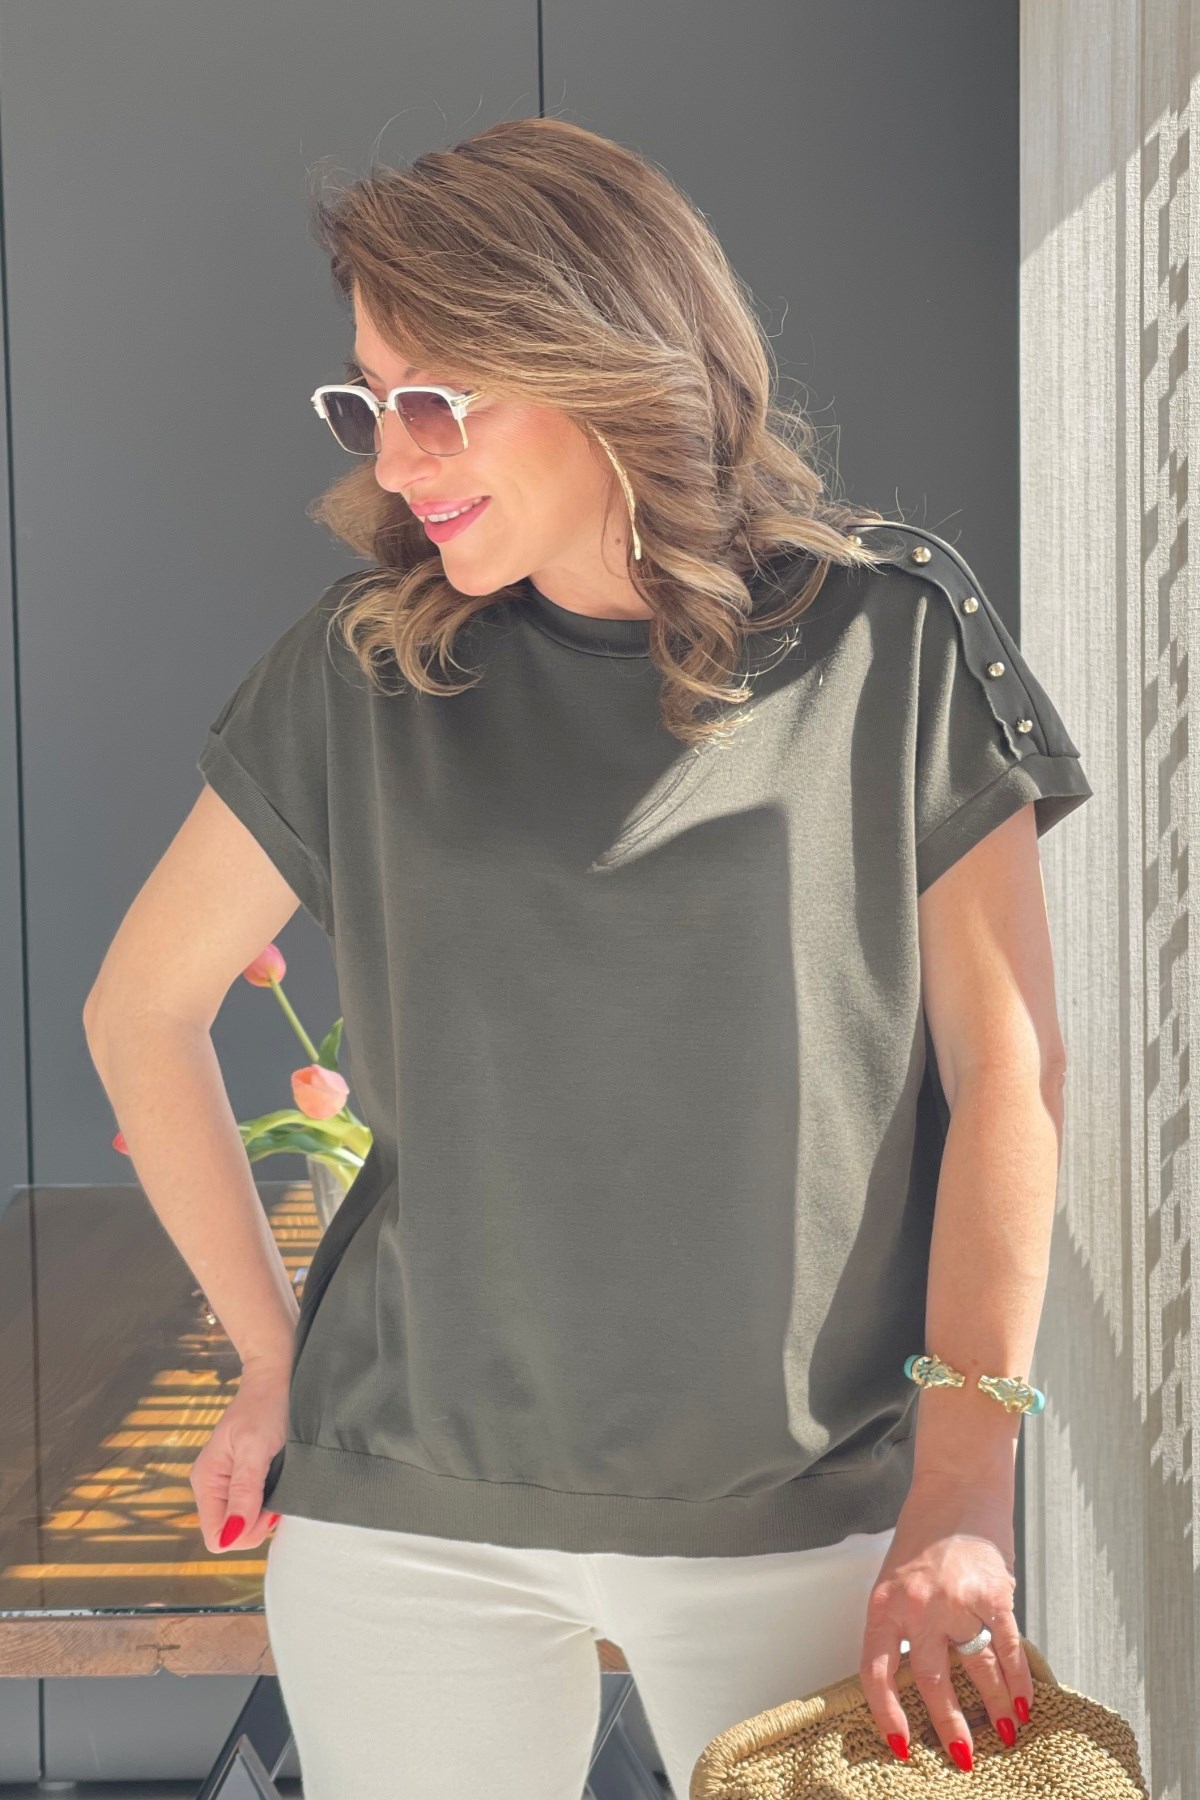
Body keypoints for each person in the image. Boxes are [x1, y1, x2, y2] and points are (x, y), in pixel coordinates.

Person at [84, 116, 1093, 1799]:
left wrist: (964, 1485)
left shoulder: (891, 639)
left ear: (605, 361)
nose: (398, 458)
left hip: (803, 1522)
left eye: (440, 398)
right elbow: (141, 1011)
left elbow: (1012, 1073)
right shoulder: (365, 672)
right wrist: (272, 1364)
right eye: (369, 399)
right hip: (406, 1512)